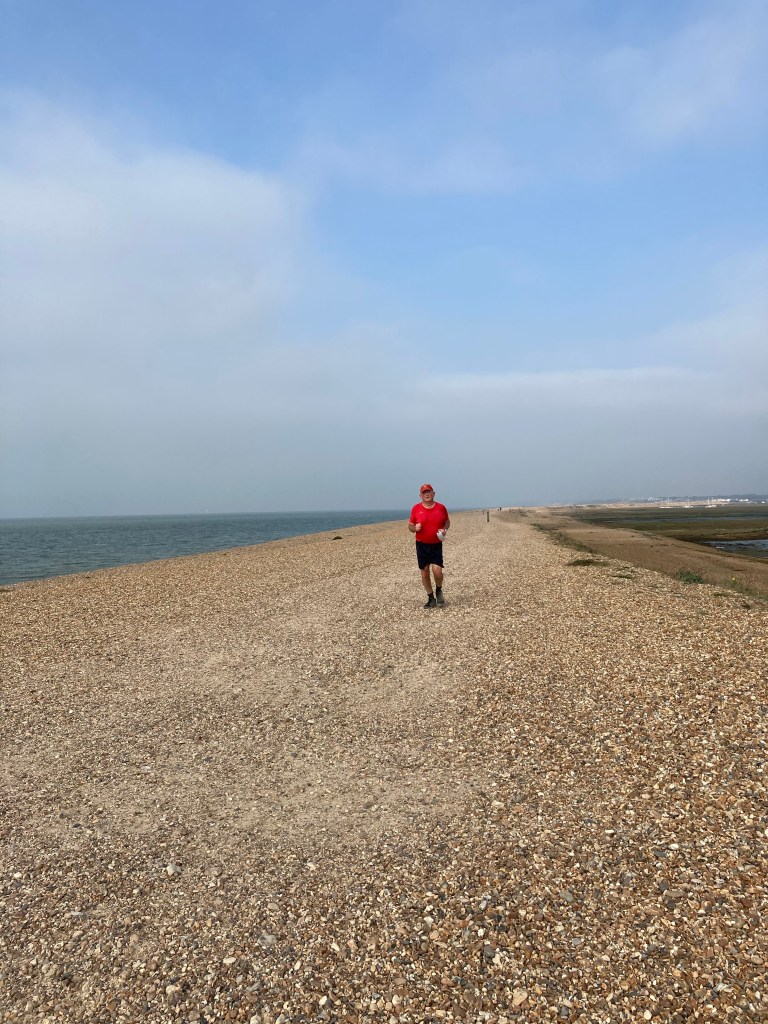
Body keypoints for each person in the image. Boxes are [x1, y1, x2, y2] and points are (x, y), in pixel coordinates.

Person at [408, 484, 450, 608]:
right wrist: (414, 528)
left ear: (433, 493)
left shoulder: (441, 507)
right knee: (425, 572)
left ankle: (439, 590)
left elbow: (447, 522)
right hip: (421, 544)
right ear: (420, 495)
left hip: (436, 544)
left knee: (437, 572)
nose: (427, 494)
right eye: (424, 492)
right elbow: (410, 527)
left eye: (429, 492)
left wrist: (444, 529)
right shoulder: (416, 508)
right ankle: (431, 598)